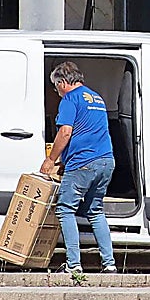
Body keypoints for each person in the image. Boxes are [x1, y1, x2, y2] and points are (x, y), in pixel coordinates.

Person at [41, 60, 117, 274]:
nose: (56, 92)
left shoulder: (70, 99)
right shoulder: (96, 97)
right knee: (95, 211)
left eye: (56, 87)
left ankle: (73, 265)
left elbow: (65, 132)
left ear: (62, 82)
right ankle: (109, 263)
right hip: (106, 160)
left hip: (83, 163)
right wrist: (65, 161)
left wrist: (51, 160)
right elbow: (89, 131)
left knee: (65, 209)